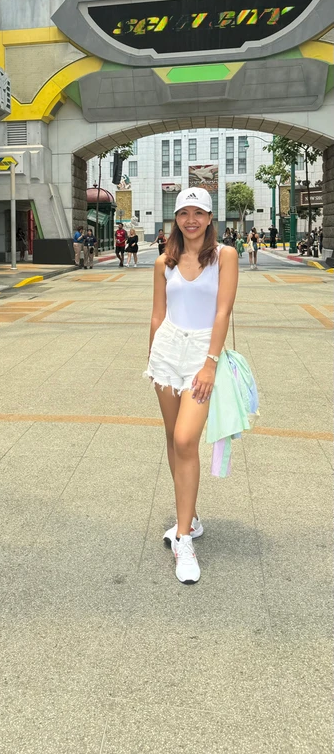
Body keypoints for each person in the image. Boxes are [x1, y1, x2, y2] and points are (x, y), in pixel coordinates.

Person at [145, 186, 238, 584]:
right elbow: (157, 315)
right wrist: (152, 359)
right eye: (184, 212)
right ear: (176, 218)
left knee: (186, 439)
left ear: (210, 218)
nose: (191, 220)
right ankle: (191, 518)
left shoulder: (224, 256)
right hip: (166, 351)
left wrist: (210, 364)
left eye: (198, 213)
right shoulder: (163, 262)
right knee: (172, 438)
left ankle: (184, 539)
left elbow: (223, 311)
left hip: (202, 352)